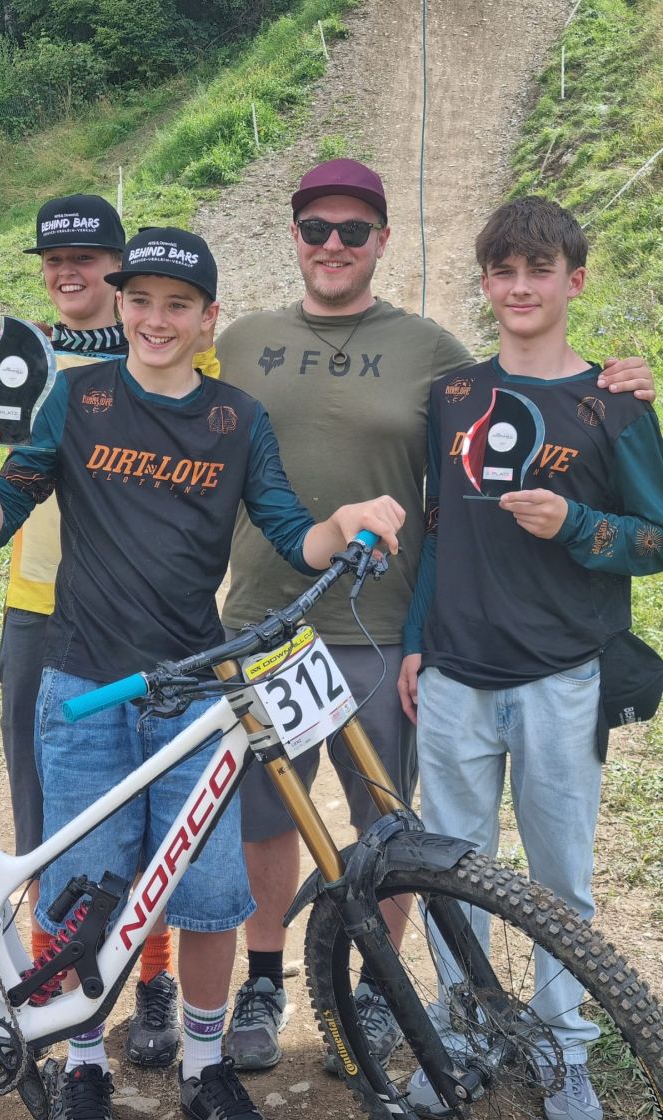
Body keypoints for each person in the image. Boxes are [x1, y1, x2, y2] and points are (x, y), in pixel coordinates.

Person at [0, 225, 407, 1120]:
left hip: (196, 692)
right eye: (141, 301)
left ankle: (204, 1065)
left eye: (177, 305)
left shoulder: (237, 419)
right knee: (80, 893)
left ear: (208, 318)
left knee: (206, 897)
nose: (156, 320)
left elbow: (294, 535)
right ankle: (83, 1061)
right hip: (83, 686)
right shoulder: (76, 398)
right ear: (120, 306)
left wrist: (344, 519)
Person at [212, 159, 656, 1073]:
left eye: (354, 230)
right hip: (341, 639)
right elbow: (153, 359)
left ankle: (503, 1035)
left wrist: (588, 495)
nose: (334, 244)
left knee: (459, 853)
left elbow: (638, 520)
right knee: (332, 833)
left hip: (470, 650)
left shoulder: (515, 382)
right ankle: (361, 1009)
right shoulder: (272, 346)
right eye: (317, 229)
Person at [0, 185, 217, 1068]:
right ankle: (60, 1001)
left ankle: (152, 980)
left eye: (86, 260)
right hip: (42, 613)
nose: (68, 273)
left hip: (153, 610)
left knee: (156, 811)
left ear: (120, 269)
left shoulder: (168, 351)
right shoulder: (13, 353)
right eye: (54, 260)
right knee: (50, 819)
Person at [397, 195, 663, 1118]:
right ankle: (466, 1039)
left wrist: (577, 524)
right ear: (485, 282)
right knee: (450, 873)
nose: (520, 287)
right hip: (456, 676)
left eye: (538, 270)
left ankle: (562, 1054)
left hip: (563, 677)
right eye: (503, 271)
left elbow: (656, 538)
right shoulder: (453, 398)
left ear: (573, 281)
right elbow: (437, 528)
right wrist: (418, 642)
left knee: (559, 886)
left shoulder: (617, 404)